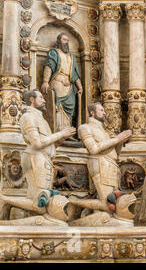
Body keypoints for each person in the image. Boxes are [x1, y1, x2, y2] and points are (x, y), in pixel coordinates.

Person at [0, 89, 75, 225]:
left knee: (38, 199)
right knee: (41, 203)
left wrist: (62, 137)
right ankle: (5, 202)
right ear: (31, 100)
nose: (44, 100)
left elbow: (49, 144)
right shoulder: (28, 117)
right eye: (41, 97)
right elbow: (36, 143)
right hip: (35, 157)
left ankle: (9, 207)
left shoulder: (40, 118)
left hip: (43, 158)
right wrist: (60, 134)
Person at [71, 103, 132, 213]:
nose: (104, 113)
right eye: (101, 110)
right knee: (106, 203)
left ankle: (88, 216)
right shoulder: (85, 127)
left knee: (113, 201)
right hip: (100, 164)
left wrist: (120, 142)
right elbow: (93, 149)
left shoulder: (105, 132)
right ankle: (73, 202)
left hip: (111, 165)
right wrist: (117, 139)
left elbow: (115, 153)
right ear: (92, 113)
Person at [41, 33, 83, 132]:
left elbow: (75, 74)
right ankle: (58, 130)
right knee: (58, 106)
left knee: (70, 108)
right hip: (58, 83)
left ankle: (68, 131)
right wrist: (45, 81)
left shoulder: (72, 56)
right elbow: (49, 66)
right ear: (59, 41)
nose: (67, 42)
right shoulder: (54, 53)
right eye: (64, 40)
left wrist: (80, 87)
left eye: (68, 40)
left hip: (69, 87)